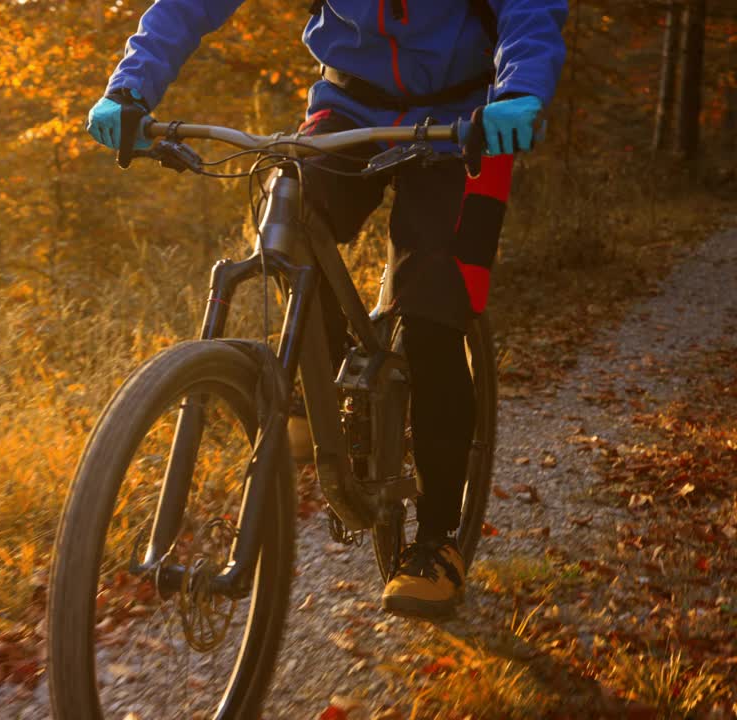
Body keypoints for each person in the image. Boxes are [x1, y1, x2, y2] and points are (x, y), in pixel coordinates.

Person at [86, 0, 567, 619]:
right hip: (347, 107)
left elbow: (528, 9)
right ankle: (332, 401)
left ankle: (438, 540)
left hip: (467, 123)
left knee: (432, 315)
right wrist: (130, 89)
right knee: (286, 224)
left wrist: (522, 89)